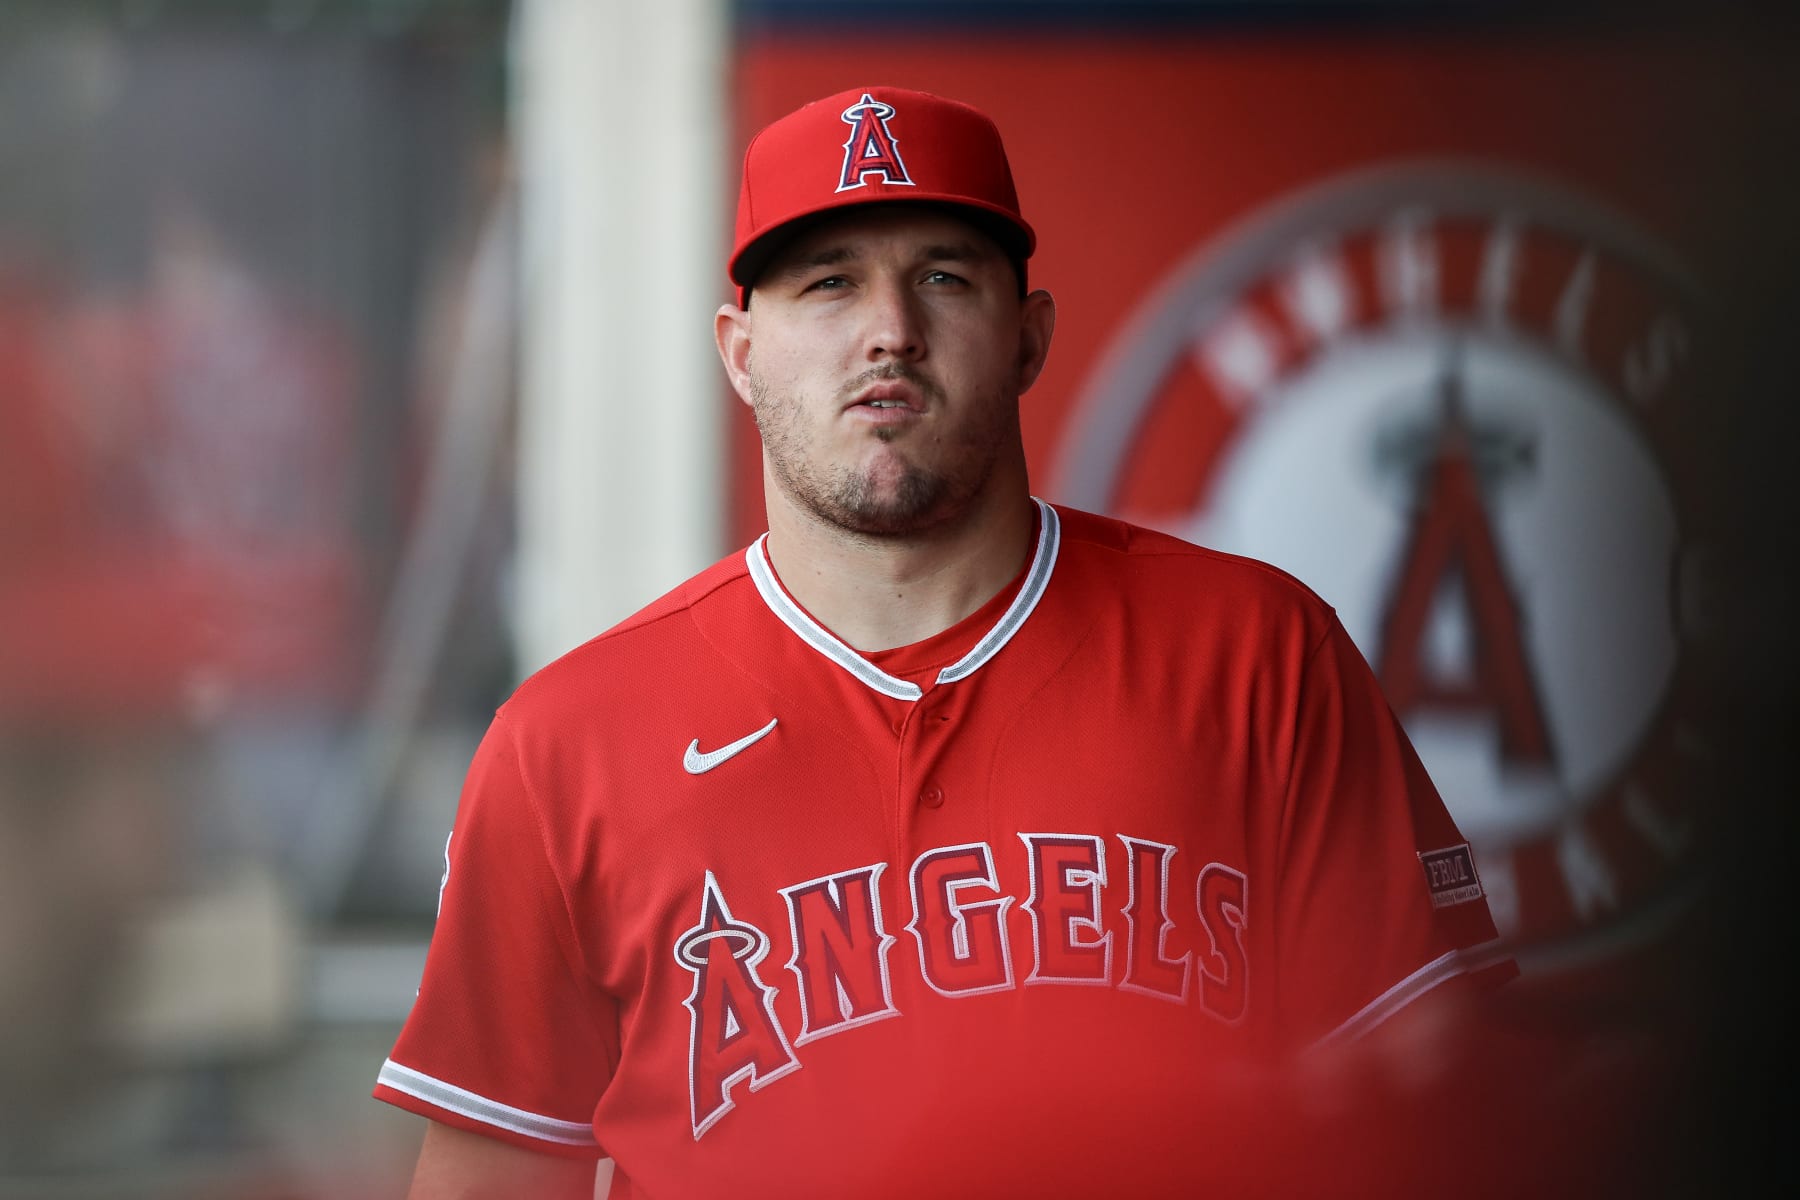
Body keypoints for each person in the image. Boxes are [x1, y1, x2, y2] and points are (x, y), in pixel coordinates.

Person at [374, 86, 1515, 1199]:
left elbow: (1440, 1110)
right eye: (829, 284)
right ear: (738, 352)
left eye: (942, 277)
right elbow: (493, 1174)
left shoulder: (1259, 658)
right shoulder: (568, 745)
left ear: (1029, 337)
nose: (890, 332)